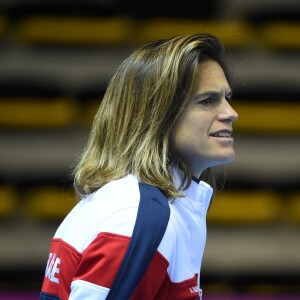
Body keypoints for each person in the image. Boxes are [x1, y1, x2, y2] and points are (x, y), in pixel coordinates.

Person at [40, 33, 238, 299]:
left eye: (227, 97)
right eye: (207, 101)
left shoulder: (144, 205)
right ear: (158, 115)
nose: (230, 113)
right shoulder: (139, 216)